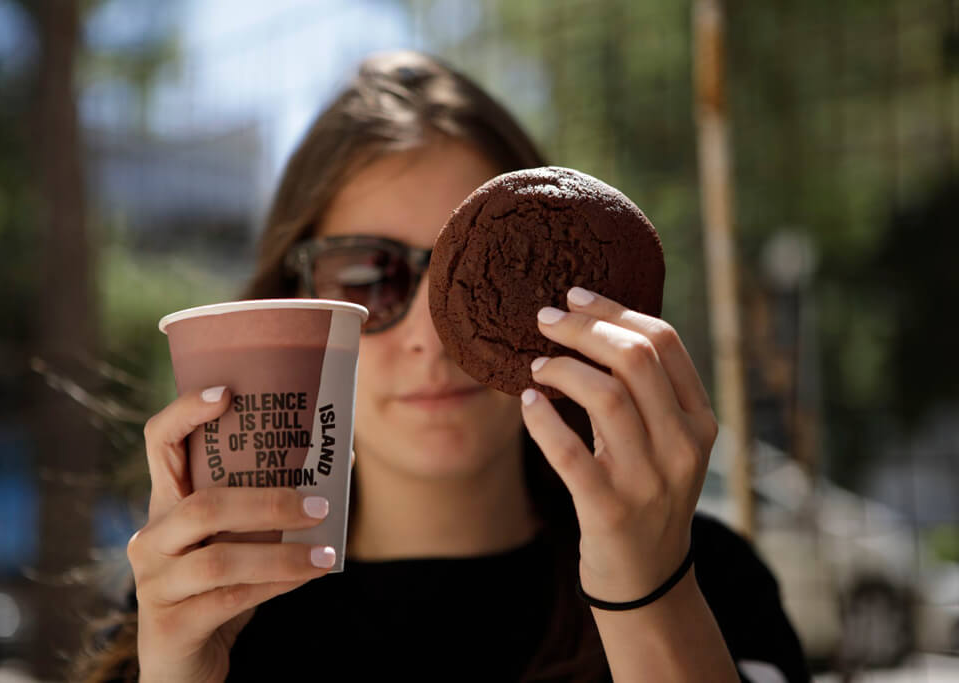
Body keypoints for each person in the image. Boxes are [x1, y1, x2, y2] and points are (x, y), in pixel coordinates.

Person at [75, 50, 810, 682]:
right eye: (368, 275)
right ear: (294, 304)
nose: (432, 335)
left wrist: (651, 596)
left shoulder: (704, 583)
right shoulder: (201, 609)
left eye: (492, 273)